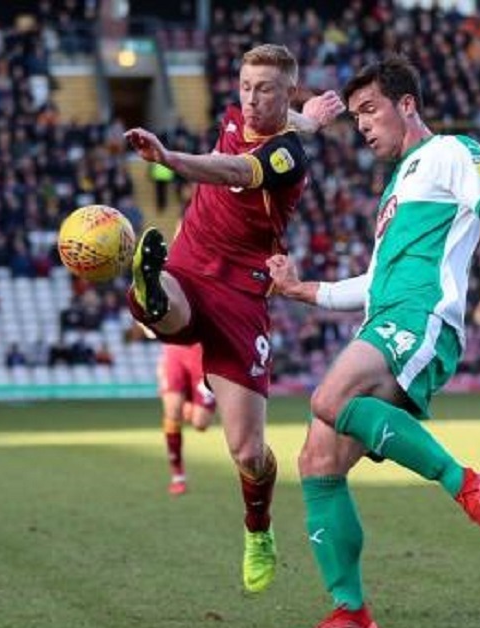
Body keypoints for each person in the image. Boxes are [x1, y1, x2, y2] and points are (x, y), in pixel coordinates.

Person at [265, 56, 480, 628]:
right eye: (354, 118)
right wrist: (303, 290)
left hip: (421, 317)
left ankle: (468, 483)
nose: (363, 126)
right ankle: (351, 613)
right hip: (386, 317)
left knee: (330, 398)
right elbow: (371, 283)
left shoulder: (452, 151)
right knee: (316, 463)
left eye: (370, 110)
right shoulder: (396, 189)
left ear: (407, 105)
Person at [122, 43, 344, 594]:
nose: (250, 99)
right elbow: (282, 118)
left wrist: (171, 159)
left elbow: (230, 168)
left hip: (241, 297)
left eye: (265, 89)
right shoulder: (245, 114)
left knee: (247, 451)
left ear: (286, 91)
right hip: (190, 268)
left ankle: (259, 529)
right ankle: (150, 290)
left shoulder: (288, 157)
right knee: (165, 302)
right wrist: (311, 118)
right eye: (245, 86)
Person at [158, 343, 217, 496]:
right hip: (175, 349)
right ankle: (178, 476)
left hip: (204, 354)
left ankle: (190, 397)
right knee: (172, 412)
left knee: (200, 423)